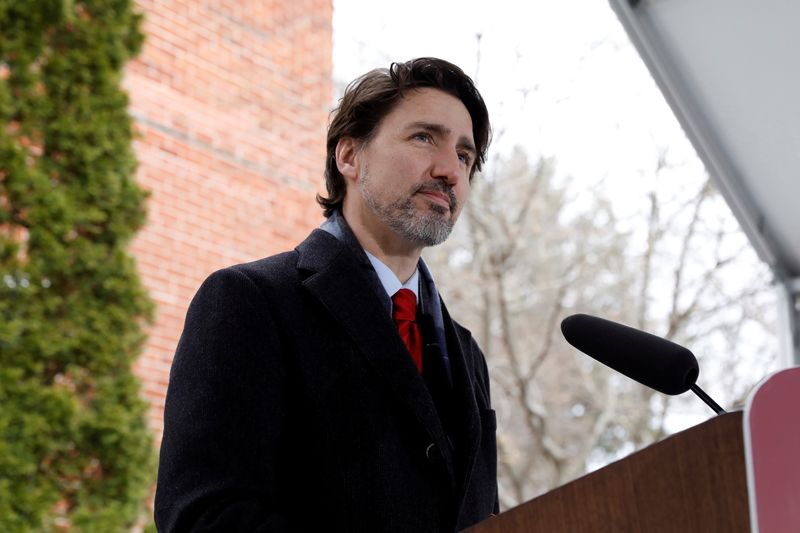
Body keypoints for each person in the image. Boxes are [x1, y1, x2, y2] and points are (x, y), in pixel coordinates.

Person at [155, 57, 497, 533]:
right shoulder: (249, 301)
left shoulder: (468, 357)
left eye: (464, 155)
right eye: (424, 137)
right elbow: (204, 516)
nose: (449, 171)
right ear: (350, 157)